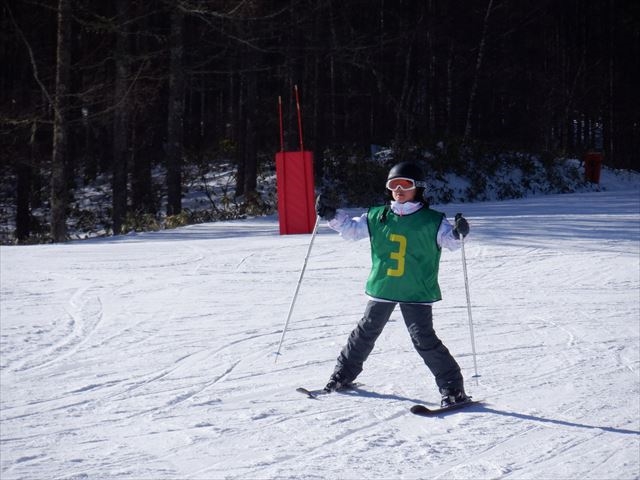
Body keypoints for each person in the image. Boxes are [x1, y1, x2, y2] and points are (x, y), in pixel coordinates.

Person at [315, 161, 471, 407]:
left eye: (405, 184)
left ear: (418, 188)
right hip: (383, 286)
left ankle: (453, 389)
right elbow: (352, 230)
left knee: (423, 339)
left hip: (416, 289)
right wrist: (332, 215)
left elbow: (450, 242)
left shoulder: (432, 220)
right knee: (364, 333)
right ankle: (342, 376)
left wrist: (458, 232)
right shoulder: (378, 216)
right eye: (393, 184)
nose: (398, 189)